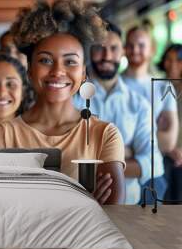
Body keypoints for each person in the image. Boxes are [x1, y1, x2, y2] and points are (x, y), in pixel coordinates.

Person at [0, 0, 126, 204]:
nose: (58, 71)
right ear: (30, 70)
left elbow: (114, 216)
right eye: (45, 60)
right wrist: (83, 205)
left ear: (84, 73)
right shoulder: (4, 135)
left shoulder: (104, 134)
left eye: (70, 62)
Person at [74, 22, 164, 204]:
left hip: (129, 208)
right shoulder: (73, 98)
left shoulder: (138, 104)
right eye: (100, 48)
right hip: (79, 204)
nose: (107, 56)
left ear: (122, 51)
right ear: (90, 51)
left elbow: (155, 163)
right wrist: (123, 155)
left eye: (113, 48)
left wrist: (94, 161)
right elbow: (67, 157)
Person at [123, 26, 179, 155]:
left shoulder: (164, 87)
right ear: (124, 49)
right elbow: (110, 141)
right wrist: (154, 132)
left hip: (156, 169)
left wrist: (128, 147)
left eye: (141, 45)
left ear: (152, 49)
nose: (135, 50)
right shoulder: (114, 85)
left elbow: (168, 142)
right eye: (130, 45)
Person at [158, 44, 182, 200]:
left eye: (178, 60)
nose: (172, 64)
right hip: (161, 154)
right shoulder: (157, 87)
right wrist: (169, 147)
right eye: (169, 59)